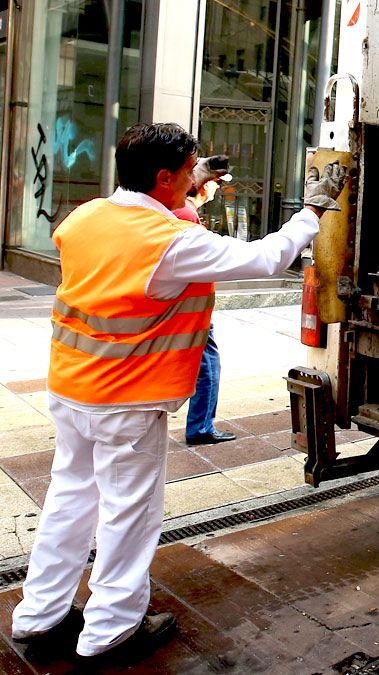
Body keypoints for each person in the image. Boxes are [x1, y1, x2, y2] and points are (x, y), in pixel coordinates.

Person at [9, 123, 346, 665]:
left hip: (72, 388)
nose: (197, 177)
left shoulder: (87, 217)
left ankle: (39, 616)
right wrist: (313, 210)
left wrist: (190, 192)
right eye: (189, 171)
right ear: (164, 178)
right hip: (127, 399)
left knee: (69, 500)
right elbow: (264, 259)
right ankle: (110, 631)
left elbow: (145, 236)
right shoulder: (170, 243)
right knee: (128, 513)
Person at [173, 155, 236, 446]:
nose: (216, 190)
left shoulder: (180, 209)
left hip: (184, 304)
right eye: (216, 184)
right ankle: (200, 427)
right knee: (208, 364)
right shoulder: (186, 214)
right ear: (202, 185)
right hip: (192, 307)